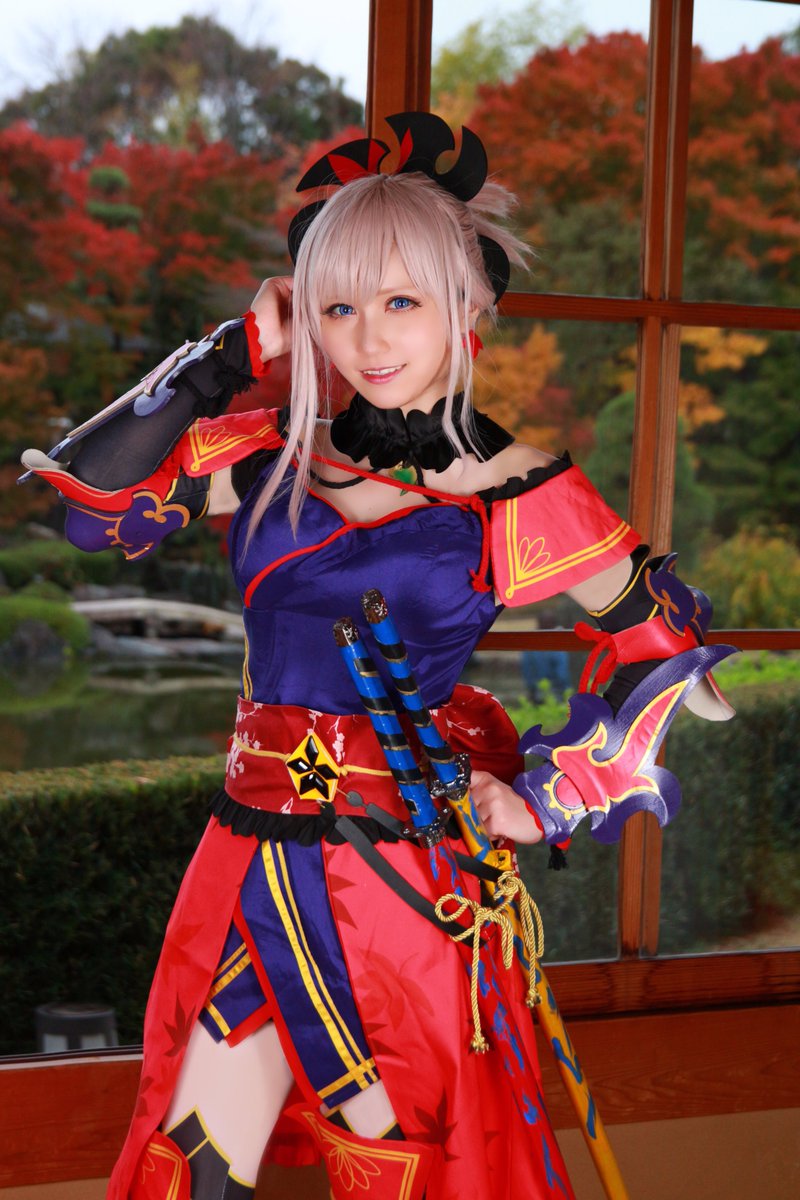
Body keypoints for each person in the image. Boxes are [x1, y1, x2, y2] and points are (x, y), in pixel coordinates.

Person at [21, 112, 734, 1200]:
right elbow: (87, 511)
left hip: (396, 876)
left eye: (400, 301)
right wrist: (222, 359)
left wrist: (548, 799)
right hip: (245, 856)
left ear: (468, 304)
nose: (367, 338)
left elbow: (665, 650)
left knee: (401, 1160)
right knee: (189, 1159)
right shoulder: (267, 453)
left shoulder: (516, 489)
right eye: (337, 305)